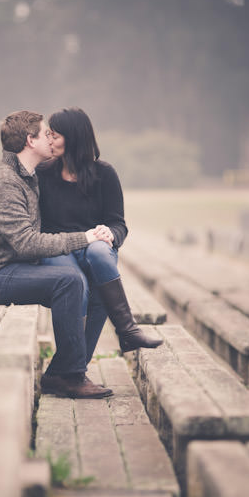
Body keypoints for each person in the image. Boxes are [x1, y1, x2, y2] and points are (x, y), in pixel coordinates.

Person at [0, 109, 115, 399]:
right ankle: (71, 376)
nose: (51, 138)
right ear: (30, 141)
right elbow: (27, 243)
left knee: (98, 285)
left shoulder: (27, 175)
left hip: (15, 268)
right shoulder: (4, 181)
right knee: (69, 280)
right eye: (46, 133)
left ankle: (62, 371)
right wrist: (84, 238)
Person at [37, 106, 162, 361]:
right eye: (48, 135)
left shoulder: (104, 174)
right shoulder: (43, 174)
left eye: (55, 135)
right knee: (79, 285)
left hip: (94, 248)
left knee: (100, 253)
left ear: (73, 138)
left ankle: (125, 330)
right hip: (59, 250)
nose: (49, 140)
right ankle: (74, 369)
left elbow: (119, 224)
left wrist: (110, 233)